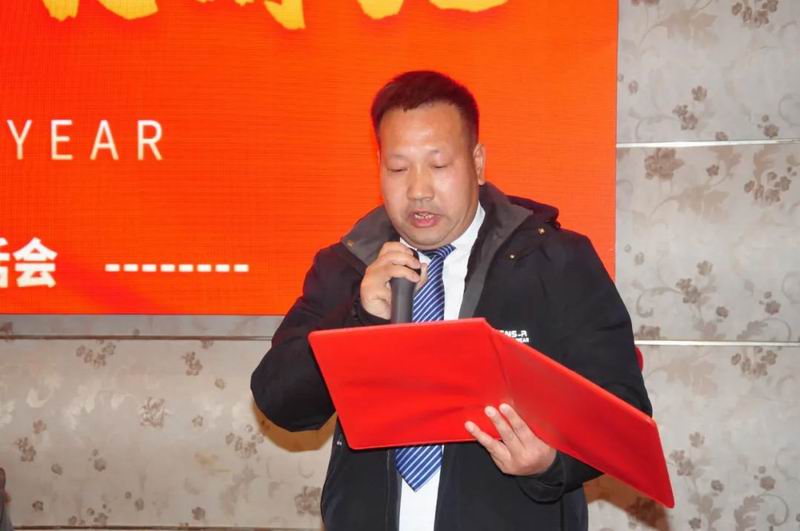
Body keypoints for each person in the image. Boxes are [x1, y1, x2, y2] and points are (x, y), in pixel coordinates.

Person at [251, 70, 651, 530]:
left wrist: (550, 463)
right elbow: (280, 402)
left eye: (439, 166)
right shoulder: (348, 266)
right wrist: (358, 317)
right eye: (397, 168)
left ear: (477, 163)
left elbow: (623, 413)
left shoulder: (555, 261)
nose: (418, 190)